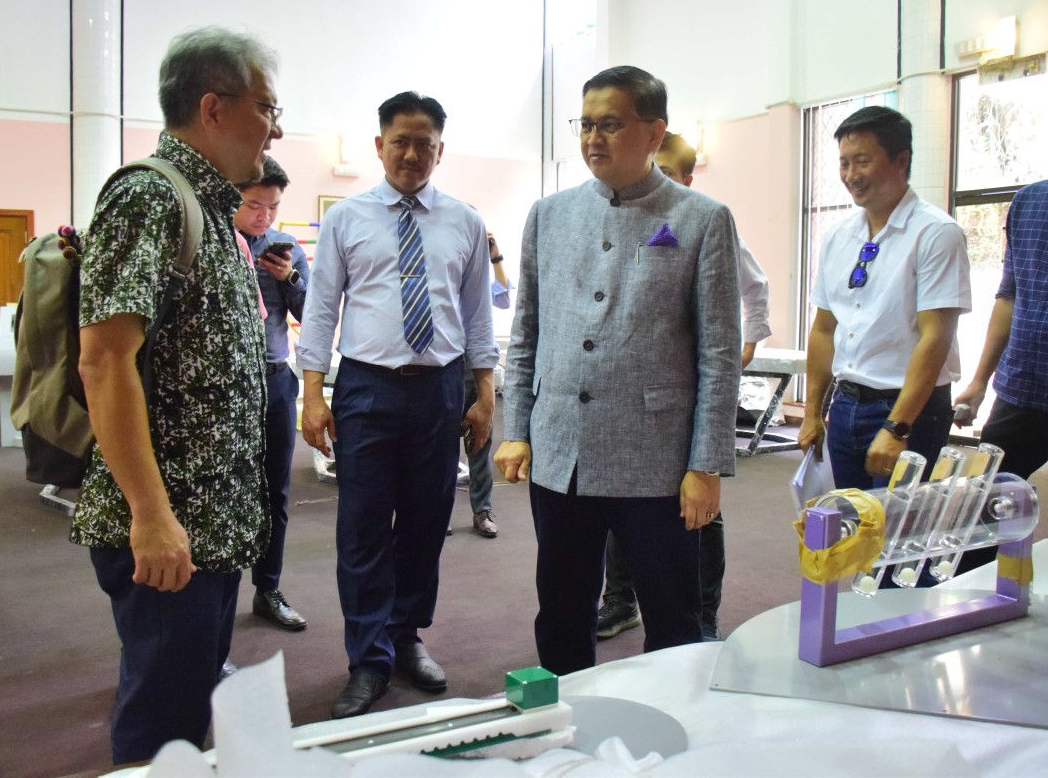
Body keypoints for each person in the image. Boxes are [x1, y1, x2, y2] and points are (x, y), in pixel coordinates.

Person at [71, 26, 280, 764]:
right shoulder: (149, 197)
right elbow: (104, 363)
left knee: (187, 705)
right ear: (213, 108)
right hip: (170, 530)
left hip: (210, 524)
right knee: (160, 728)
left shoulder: (210, 209)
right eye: (266, 108)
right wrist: (151, 516)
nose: (275, 128)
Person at [494, 66, 741, 676]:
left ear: (654, 133)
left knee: (673, 617)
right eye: (585, 125)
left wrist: (706, 465)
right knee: (561, 609)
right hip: (562, 453)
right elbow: (527, 331)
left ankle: (674, 719)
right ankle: (564, 718)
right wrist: (517, 427)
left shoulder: (701, 218)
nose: (592, 138)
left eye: (610, 124)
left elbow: (718, 354)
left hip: (657, 460)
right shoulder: (548, 215)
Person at [297, 91, 498, 718]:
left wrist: (484, 393)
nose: (412, 154)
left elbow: (477, 315)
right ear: (379, 145)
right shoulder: (346, 219)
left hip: (439, 389)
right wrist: (312, 391)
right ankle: (368, 658)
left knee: (425, 522)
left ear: (440, 150)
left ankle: (406, 636)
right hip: (367, 386)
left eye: (424, 144)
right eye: (400, 142)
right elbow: (321, 308)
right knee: (362, 527)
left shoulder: (464, 222)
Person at [597, 130, 772, 641]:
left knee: (698, 510)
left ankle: (704, 613)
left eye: (668, 172)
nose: (655, 179)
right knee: (619, 501)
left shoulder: (705, 221)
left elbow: (756, 286)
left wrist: (747, 343)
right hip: (629, 395)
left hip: (688, 395)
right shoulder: (620, 219)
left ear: (688, 179)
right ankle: (620, 599)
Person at [798, 106, 970, 491]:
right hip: (846, 403)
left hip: (909, 410)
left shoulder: (936, 233)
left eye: (862, 161)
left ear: (901, 160)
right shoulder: (838, 237)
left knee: (897, 525)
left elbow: (936, 337)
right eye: (844, 163)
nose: (851, 175)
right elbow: (824, 329)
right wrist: (812, 412)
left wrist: (897, 426)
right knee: (849, 519)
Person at [952, 84, 1048, 552]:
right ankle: (978, 590)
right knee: (985, 507)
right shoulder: (1029, 202)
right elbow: (1009, 297)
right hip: (1020, 390)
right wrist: (979, 381)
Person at [234, 156, 312, 630]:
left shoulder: (286, 248)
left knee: (274, 490)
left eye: (273, 207)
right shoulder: (216, 243)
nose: (264, 216)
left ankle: (268, 588)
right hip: (227, 384)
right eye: (254, 205)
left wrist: (289, 278)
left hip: (275, 378)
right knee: (224, 490)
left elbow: (311, 312)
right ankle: (215, 601)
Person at [462, 229, 513, 539]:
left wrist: (495, 256)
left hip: (479, 369)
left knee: (480, 443)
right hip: (445, 367)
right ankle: (438, 511)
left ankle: (482, 511)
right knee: (439, 448)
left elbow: (504, 298)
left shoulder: (482, 273)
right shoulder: (445, 267)